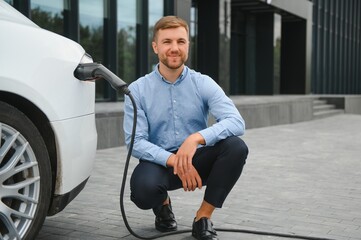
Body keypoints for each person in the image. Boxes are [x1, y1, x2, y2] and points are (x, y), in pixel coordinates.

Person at [123, 15, 248, 240]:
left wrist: (196, 139)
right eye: (167, 42)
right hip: (161, 163)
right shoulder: (138, 90)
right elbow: (136, 142)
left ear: (188, 45)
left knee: (236, 147)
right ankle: (162, 205)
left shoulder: (203, 83)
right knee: (142, 192)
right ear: (155, 47)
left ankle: (203, 218)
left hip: (197, 159)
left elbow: (236, 121)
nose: (174, 48)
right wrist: (175, 160)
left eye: (181, 41)